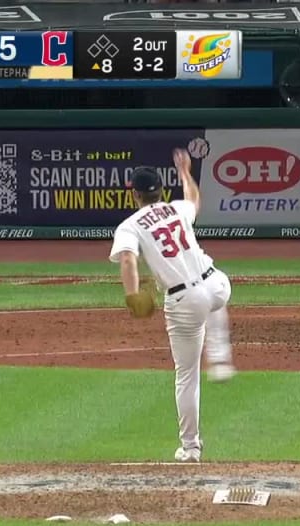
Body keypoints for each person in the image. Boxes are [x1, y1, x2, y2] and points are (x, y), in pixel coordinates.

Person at [108, 149, 235, 463]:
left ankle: (190, 448)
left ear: (133, 194)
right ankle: (220, 356)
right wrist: (185, 171)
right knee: (215, 300)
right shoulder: (177, 207)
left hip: (185, 301)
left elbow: (127, 259)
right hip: (218, 283)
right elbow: (194, 199)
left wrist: (132, 293)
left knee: (187, 375)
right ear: (161, 190)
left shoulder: (129, 225)